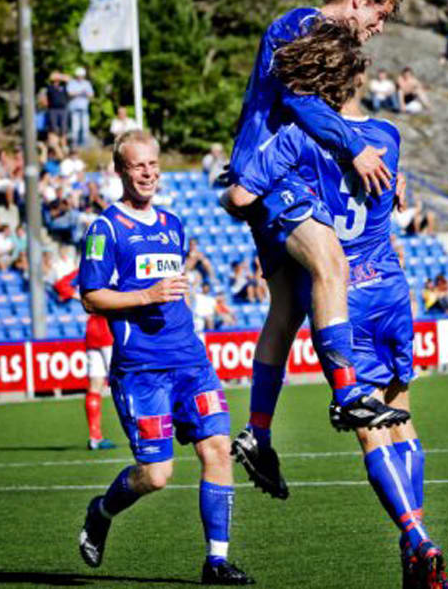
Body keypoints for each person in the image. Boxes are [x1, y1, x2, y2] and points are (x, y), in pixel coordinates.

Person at [226, 37, 448, 586]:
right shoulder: (388, 136)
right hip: (392, 288)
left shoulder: (296, 136)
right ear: (357, 80)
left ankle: (418, 537)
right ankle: (413, 550)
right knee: (402, 414)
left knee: (371, 429)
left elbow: (240, 198)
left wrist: (252, 196)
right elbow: (388, 191)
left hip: (344, 300)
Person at [222, 0, 407, 449]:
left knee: (286, 310)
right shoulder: (303, 23)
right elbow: (302, 103)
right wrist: (357, 147)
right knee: (332, 266)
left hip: (277, 175)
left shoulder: (322, 38)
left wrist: (389, 169)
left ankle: (259, 432)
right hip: (272, 176)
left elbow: (316, 117)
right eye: (379, 15)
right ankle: (347, 394)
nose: (379, 28)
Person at [76, 130, 253, 584]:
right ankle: (101, 511)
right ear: (120, 171)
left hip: (191, 362)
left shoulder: (173, 224)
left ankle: (216, 561)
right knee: (156, 475)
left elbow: (173, 291)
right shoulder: (105, 229)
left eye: (153, 164)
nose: (148, 173)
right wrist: (146, 295)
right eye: (138, 165)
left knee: (218, 449)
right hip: (142, 370)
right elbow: (91, 297)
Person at [84, 313, 116, 451]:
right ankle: (138, 431)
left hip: (92, 332)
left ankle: (95, 437)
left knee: (95, 385)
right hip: (108, 331)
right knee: (122, 381)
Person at [67, 67, 95, 149]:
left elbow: (91, 95)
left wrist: (86, 93)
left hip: (84, 109)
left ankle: (84, 147)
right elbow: (69, 93)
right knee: (75, 128)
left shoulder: (87, 83)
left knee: (85, 128)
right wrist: (80, 92)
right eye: (79, 75)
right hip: (74, 109)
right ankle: (74, 146)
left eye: (81, 76)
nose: (80, 77)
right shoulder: (72, 83)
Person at [46, 71, 70, 148]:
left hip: (63, 109)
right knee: (53, 128)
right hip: (53, 109)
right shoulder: (50, 87)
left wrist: (59, 76)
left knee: (63, 128)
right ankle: (54, 145)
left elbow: (68, 78)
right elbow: (51, 76)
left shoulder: (63, 86)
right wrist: (57, 76)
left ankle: (63, 145)